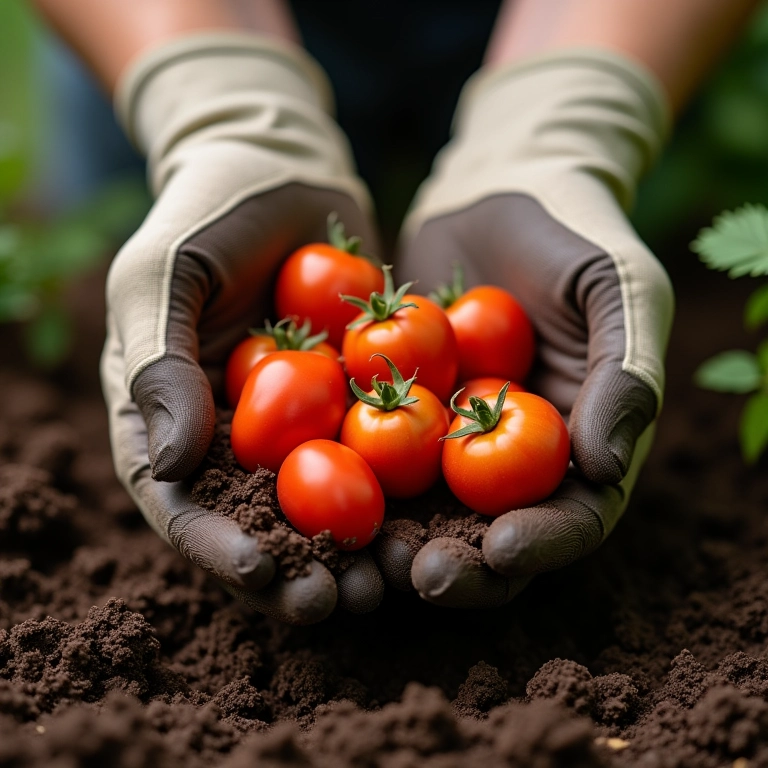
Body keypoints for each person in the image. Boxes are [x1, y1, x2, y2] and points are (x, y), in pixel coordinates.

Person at [31, 0, 760, 624]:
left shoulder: (384, 384)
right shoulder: (381, 385)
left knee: (618, 244)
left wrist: (567, 119)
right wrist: (216, 110)